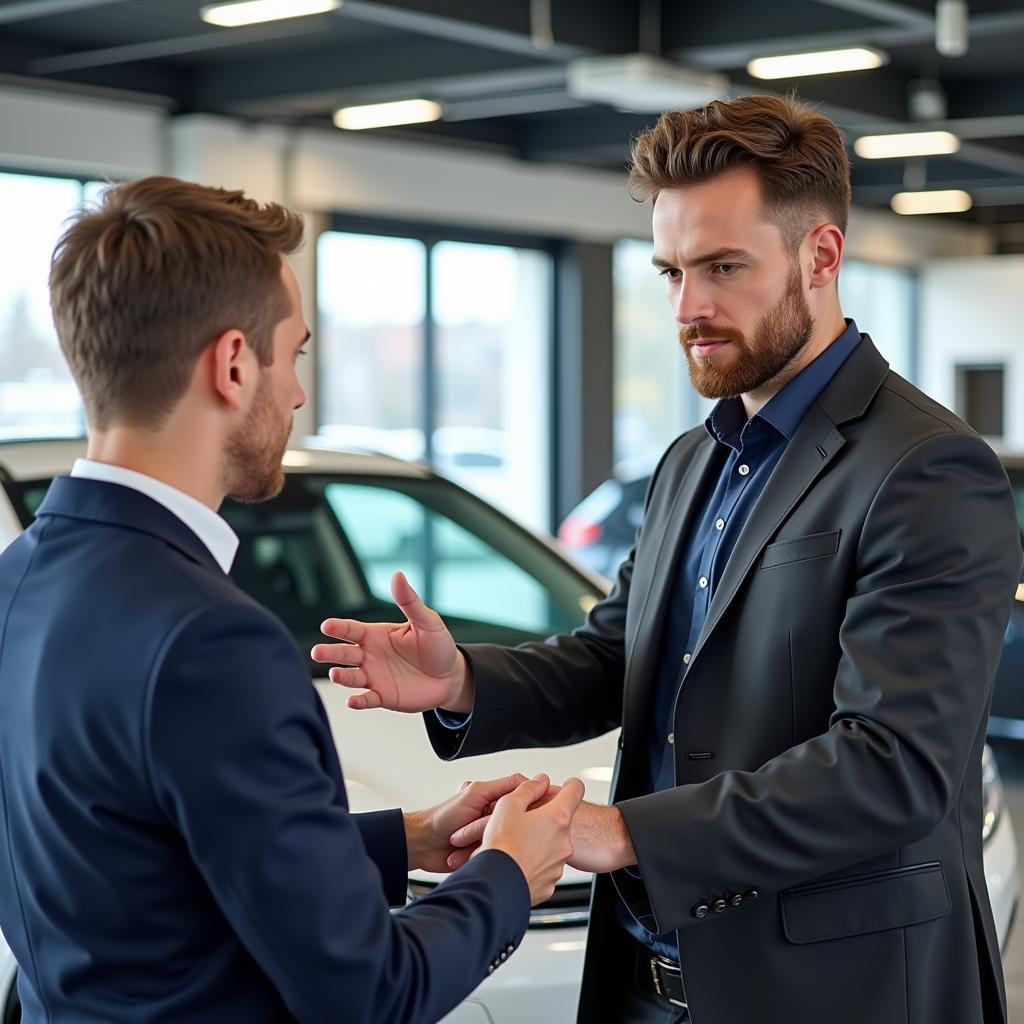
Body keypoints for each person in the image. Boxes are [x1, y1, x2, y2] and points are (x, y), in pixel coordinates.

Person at [312, 95, 1023, 1024]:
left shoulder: (926, 467)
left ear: (821, 256)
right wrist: (462, 683)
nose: (690, 307)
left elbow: (893, 766)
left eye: (724, 267)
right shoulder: (695, 459)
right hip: (647, 984)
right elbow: (621, 655)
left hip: (830, 991)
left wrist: (618, 831)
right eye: (671, 272)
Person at [0, 175, 585, 1024]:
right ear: (234, 364)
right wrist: (509, 876)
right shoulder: (212, 641)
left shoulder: (20, 580)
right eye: (296, 353)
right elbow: (368, 993)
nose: (301, 393)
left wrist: (406, 838)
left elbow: (131, 859)